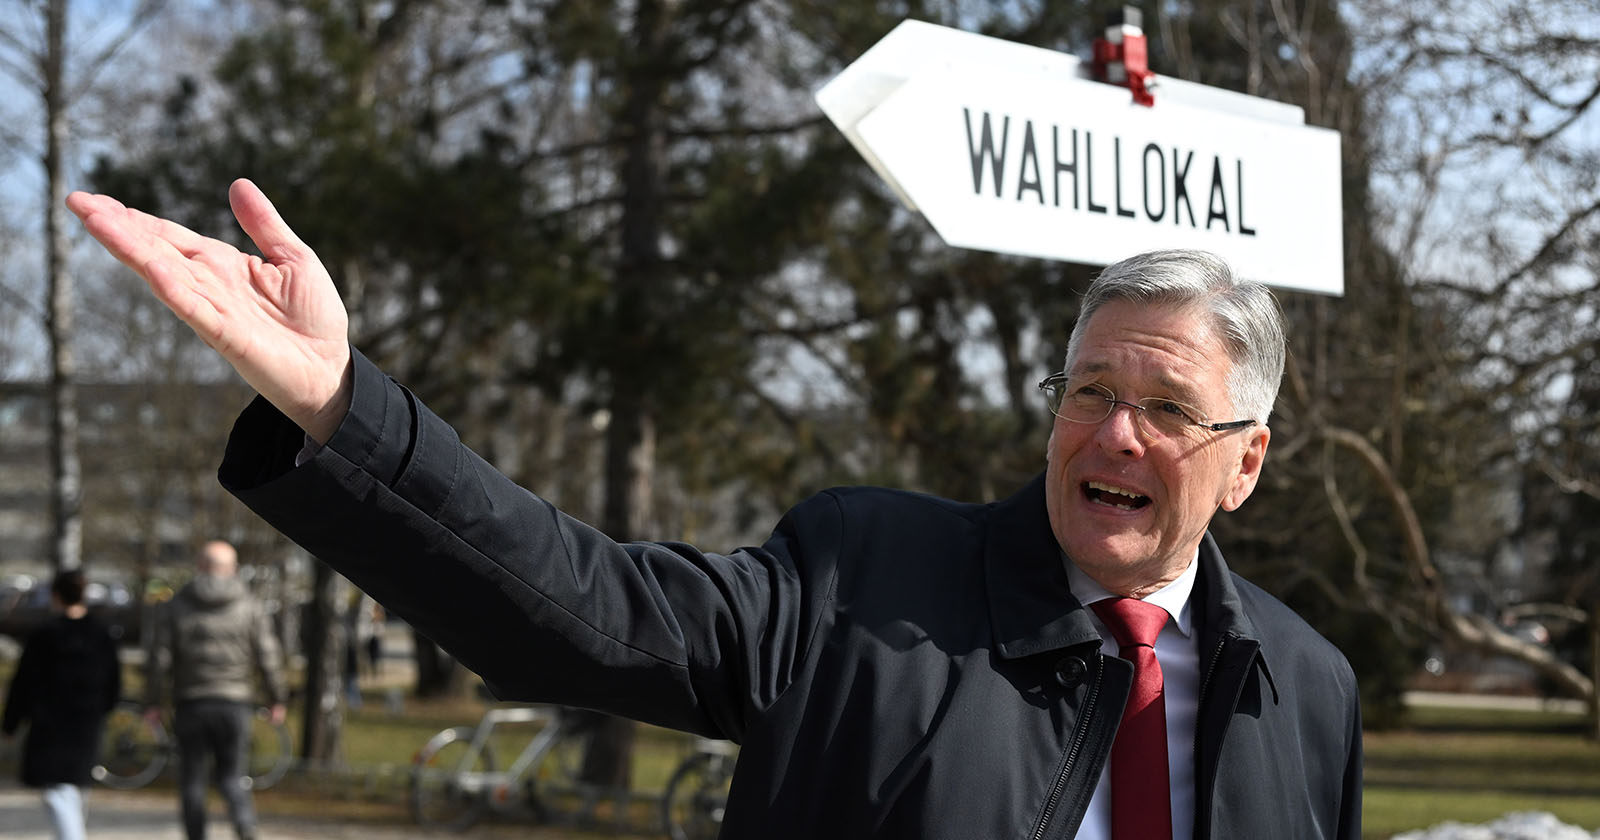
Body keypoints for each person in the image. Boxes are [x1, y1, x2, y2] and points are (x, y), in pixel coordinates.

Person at [69, 180, 1362, 838]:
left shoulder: (1308, 689)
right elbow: (576, 609)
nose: (1114, 433)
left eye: (1168, 409)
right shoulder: (865, 578)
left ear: (1245, 462)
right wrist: (347, 412)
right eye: (1088, 389)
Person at [145, 540, 287, 840]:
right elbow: (268, 655)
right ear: (232, 569)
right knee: (232, 776)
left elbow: (160, 659)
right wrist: (277, 697)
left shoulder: (176, 606)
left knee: (192, 780)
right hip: (234, 703)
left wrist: (153, 701)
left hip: (191, 703)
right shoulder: (250, 605)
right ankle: (246, 826)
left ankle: (196, 836)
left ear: (199, 566)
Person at [1, 569, 122, 840]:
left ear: (55, 596)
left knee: (58, 790)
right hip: (85, 722)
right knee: (75, 788)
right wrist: (105, 709)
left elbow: (23, 683)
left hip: (50, 723)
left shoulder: (45, 635)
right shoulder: (100, 634)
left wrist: (11, 722)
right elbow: (114, 681)